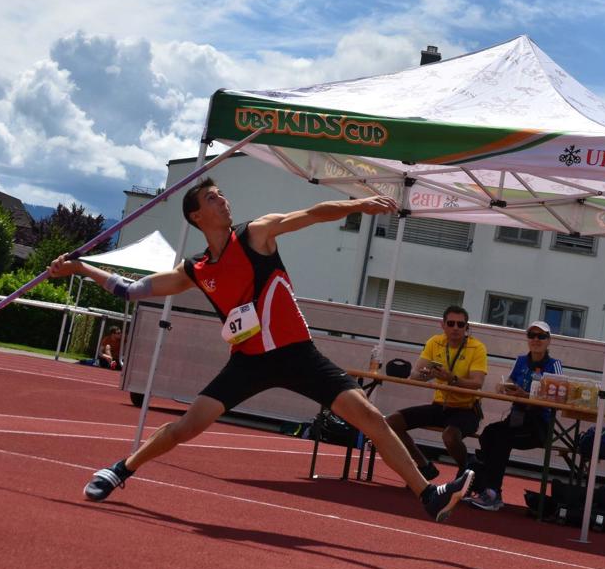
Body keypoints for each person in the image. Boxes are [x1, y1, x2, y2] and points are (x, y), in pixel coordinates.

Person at [47, 178, 473, 523]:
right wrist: (79, 267)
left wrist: (357, 205)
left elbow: (309, 215)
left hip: (299, 356)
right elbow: (132, 289)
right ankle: (121, 469)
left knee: (372, 419)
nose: (223, 200)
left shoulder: (255, 234)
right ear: (197, 216)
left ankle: (428, 495)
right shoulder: (196, 270)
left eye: (222, 194)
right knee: (185, 428)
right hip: (249, 363)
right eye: (213, 198)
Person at [385, 306, 487, 480]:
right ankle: (424, 465)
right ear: (443, 325)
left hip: (467, 409)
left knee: (450, 436)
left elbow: (477, 383)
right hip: (440, 406)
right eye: (451, 323)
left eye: (460, 324)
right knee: (391, 422)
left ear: (466, 327)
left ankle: (466, 470)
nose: (456, 328)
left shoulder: (477, 347)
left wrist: (451, 378)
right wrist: (429, 374)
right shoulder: (435, 342)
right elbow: (415, 376)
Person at [469, 321, 561, 511]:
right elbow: (510, 382)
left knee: (501, 439)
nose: (536, 340)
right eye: (532, 335)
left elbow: (558, 399)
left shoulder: (554, 365)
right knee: (488, 433)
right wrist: (504, 387)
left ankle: (492, 493)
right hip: (516, 419)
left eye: (541, 336)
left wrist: (525, 396)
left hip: (539, 425)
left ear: (549, 341)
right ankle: (486, 488)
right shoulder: (521, 360)